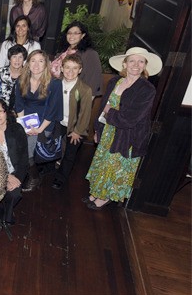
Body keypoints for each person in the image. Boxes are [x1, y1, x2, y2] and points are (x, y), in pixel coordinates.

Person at [85, 47, 162, 210]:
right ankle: (97, 192)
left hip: (128, 137)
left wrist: (109, 111)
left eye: (141, 61)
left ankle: (105, 197)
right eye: (132, 60)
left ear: (145, 65)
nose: (136, 65)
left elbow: (129, 119)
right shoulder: (114, 81)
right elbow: (101, 108)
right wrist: (98, 129)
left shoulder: (147, 89)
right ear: (125, 64)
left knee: (115, 167)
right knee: (103, 163)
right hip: (108, 132)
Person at [14, 50, 62, 192]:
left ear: (46, 64)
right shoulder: (21, 80)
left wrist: (39, 129)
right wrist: (23, 124)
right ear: (28, 63)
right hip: (25, 121)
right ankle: (28, 175)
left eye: (41, 61)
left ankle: (34, 178)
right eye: (33, 60)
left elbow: (53, 110)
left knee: (27, 153)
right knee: (21, 150)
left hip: (44, 123)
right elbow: (19, 104)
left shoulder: (55, 84)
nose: (36, 64)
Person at [49, 55, 93, 190]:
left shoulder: (84, 89)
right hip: (57, 121)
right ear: (62, 68)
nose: (70, 71)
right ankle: (49, 169)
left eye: (75, 68)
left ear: (80, 70)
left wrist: (77, 131)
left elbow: (85, 114)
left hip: (74, 126)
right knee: (52, 146)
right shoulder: (55, 83)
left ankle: (61, 178)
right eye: (67, 67)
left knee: (69, 153)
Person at [0, 99, 28, 224]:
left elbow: (24, 159)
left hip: (13, 171)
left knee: (14, 194)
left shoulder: (17, 129)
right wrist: (6, 176)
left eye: (0, 111)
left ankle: (7, 215)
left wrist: (17, 179)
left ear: (6, 113)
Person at [51, 21, 103, 97]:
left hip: (75, 96)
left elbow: (94, 80)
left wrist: (86, 103)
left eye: (76, 33)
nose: (71, 36)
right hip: (56, 93)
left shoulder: (90, 54)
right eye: (69, 33)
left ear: (83, 35)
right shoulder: (62, 53)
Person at [0, 44, 28, 110]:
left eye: (20, 57)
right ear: (9, 59)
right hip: (1, 110)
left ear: (24, 59)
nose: (17, 60)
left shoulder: (28, 75)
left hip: (21, 111)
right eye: (14, 57)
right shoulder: (0, 73)